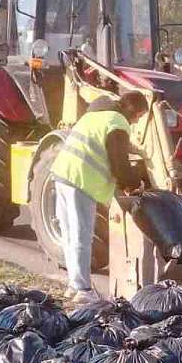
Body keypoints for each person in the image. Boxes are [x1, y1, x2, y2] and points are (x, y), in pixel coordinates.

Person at [50, 91, 149, 304]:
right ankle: (83, 290)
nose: (136, 122)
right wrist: (135, 183)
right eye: (139, 117)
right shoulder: (118, 123)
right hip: (81, 180)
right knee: (81, 235)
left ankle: (73, 285)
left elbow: (101, 143)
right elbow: (119, 166)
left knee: (69, 234)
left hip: (62, 174)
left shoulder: (95, 114)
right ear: (132, 110)